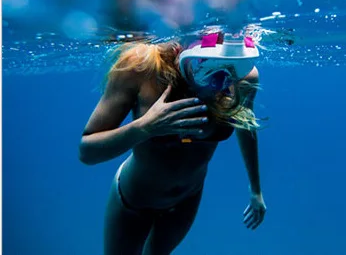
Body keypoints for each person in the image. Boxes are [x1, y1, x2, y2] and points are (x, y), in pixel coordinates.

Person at [80, 32, 266, 255]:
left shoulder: (242, 76)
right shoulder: (142, 68)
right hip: (132, 200)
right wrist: (145, 127)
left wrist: (255, 189)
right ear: (180, 49)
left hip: (185, 202)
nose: (222, 82)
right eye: (208, 68)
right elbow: (87, 151)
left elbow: (245, 126)